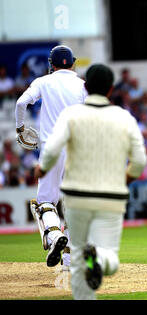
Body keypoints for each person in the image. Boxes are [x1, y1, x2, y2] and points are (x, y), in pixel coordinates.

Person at [34, 64, 147, 300]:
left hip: (78, 194)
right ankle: (94, 257)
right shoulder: (123, 117)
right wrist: (123, 180)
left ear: (86, 87)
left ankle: (82, 258)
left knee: (77, 257)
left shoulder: (70, 115)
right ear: (111, 89)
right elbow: (138, 161)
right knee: (109, 260)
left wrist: (42, 168)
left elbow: (51, 152)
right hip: (111, 195)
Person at [15, 45, 87, 269]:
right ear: (73, 63)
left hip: (52, 147)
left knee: (46, 201)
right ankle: (68, 260)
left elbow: (20, 103)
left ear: (51, 64)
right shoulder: (83, 85)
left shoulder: (43, 82)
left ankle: (55, 237)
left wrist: (20, 129)